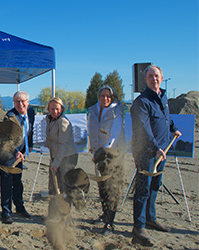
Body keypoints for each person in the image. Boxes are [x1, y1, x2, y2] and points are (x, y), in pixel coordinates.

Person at [131, 65, 182, 245]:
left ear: (161, 78)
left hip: (161, 152)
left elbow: (166, 116)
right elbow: (143, 128)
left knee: (155, 185)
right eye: (150, 76)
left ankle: (150, 218)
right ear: (145, 80)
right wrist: (154, 147)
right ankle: (138, 227)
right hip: (146, 152)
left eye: (156, 76)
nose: (154, 79)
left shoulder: (162, 97)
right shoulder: (141, 101)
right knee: (143, 188)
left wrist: (173, 129)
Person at [87, 85, 125, 235]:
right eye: (102, 96)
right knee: (102, 187)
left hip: (112, 154)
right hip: (98, 154)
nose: (105, 98)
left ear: (113, 97)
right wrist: (94, 149)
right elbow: (91, 129)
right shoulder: (93, 110)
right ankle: (105, 215)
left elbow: (114, 135)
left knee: (111, 188)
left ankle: (110, 222)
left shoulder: (116, 112)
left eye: (108, 96)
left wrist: (104, 152)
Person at [0, 91, 34, 224]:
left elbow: (30, 131)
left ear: (28, 102)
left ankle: (20, 208)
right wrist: (17, 150)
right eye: (17, 101)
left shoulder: (31, 112)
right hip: (4, 153)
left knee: (18, 181)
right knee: (7, 182)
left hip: (18, 154)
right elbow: (8, 138)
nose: (20, 104)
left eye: (23, 101)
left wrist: (29, 146)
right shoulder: (9, 117)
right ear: (13, 103)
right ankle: (6, 212)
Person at [45, 97, 78, 195]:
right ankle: (54, 206)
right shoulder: (49, 119)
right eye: (52, 109)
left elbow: (63, 144)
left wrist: (56, 163)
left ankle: (65, 207)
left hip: (67, 157)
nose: (55, 111)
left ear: (62, 109)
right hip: (55, 155)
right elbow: (49, 134)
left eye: (57, 109)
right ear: (48, 109)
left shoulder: (63, 122)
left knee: (64, 186)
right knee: (53, 185)